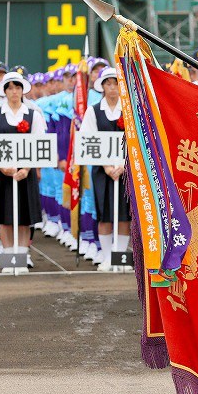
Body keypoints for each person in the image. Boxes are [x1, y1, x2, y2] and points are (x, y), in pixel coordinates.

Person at [0, 71, 46, 273]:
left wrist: (26, 168)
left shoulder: (33, 115)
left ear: (22, 91)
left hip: (25, 175)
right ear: (5, 91)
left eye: (17, 87)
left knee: (24, 216)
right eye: (10, 88)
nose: (14, 91)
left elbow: (39, 144)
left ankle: (22, 254)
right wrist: (3, 167)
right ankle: (9, 255)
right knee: (5, 216)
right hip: (2, 175)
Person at [80, 67, 131, 272]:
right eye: (108, 84)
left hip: (125, 169)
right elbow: (88, 140)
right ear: (102, 87)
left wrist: (123, 165)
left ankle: (121, 256)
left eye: (116, 83)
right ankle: (108, 256)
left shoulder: (128, 109)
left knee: (124, 214)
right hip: (103, 171)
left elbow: (135, 141)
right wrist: (107, 166)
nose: (112, 88)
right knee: (105, 213)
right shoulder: (94, 110)